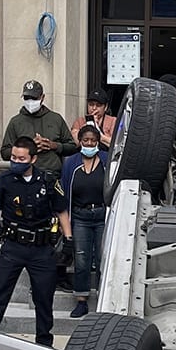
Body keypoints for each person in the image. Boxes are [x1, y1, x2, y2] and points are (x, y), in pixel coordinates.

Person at [0, 136, 72, 346]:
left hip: (41, 249)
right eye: (13, 157)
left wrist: (68, 240)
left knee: (44, 298)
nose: (16, 162)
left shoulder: (48, 181)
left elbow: (62, 211)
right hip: (12, 247)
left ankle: (44, 344)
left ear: (33, 159)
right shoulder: (3, 182)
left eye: (21, 158)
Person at [62, 125, 108, 319]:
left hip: (102, 215)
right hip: (80, 216)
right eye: (85, 140)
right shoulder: (71, 163)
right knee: (81, 259)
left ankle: (102, 300)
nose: (89, 144)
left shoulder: (106, 160)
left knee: (102, 259)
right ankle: (81, 301)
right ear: (80, 141)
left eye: (92, 140)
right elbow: (65, 189)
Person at [0, 79, 76, 177]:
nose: (30, 101)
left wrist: (54, 146)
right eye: (27, 98)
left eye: (34, 98)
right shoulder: (15, 122)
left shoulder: (55, 118)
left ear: (42, 97)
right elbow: (5, 153)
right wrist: (28, 147)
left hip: (52, 175)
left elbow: (72, 147)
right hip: (24, 175)